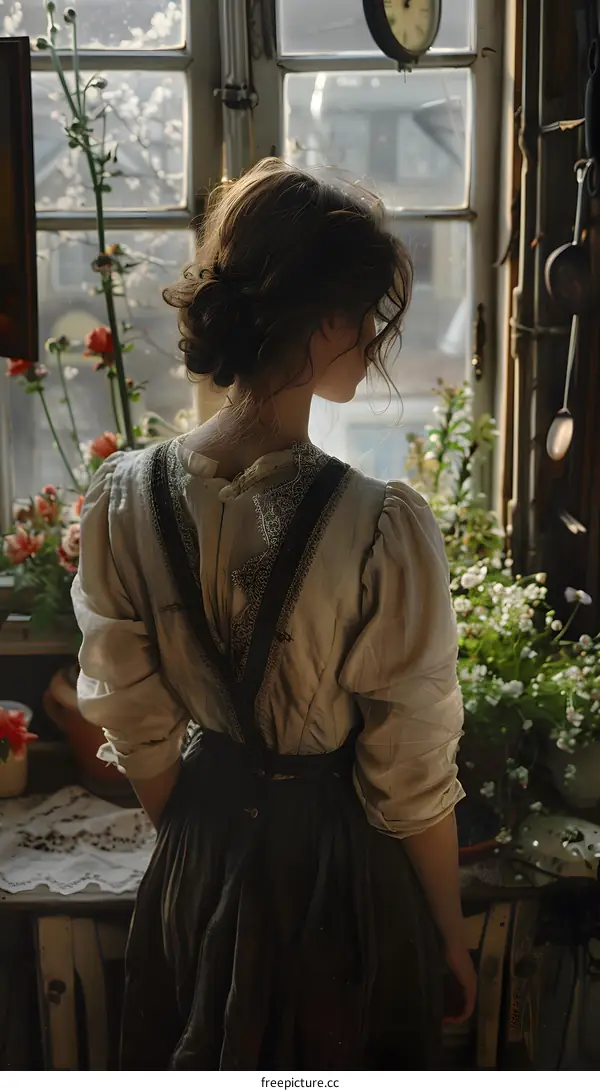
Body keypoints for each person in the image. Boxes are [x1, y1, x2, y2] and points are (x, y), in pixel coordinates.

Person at [72, 157, 476, 1071]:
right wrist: (448, 936)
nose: (370, 338)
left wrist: (218, 840)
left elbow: (137, 731)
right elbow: (408, 779)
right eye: (367, 315)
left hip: (193, 860)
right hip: (336, 883)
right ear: (329, 318)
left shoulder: (124, 498)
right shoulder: (377, 525)